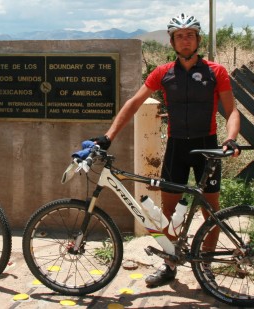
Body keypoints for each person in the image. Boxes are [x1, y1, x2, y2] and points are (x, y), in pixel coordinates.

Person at [92, 13, 241, 287]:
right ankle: (170, 264)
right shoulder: (163, 73)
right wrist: (108, 136)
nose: (185, 41)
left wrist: (230, 139)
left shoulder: (215, 72)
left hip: (207, 145)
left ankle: (206, 265)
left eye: (190, 35)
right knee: (169, 211)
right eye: (179, 36)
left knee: (212, 210)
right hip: (176, 147)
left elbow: (231, 110)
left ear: (198, 40)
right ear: (172, 41)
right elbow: (134, 103)